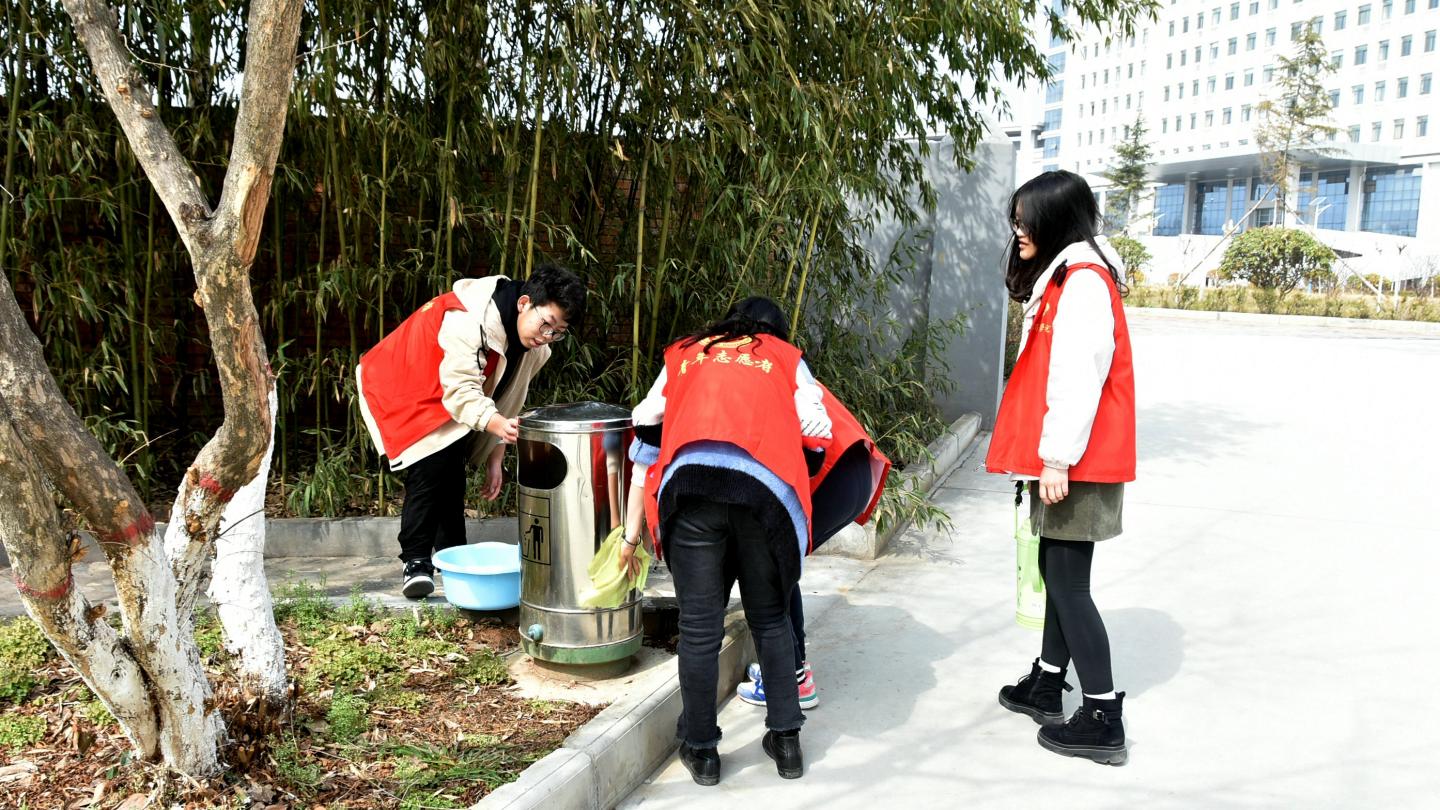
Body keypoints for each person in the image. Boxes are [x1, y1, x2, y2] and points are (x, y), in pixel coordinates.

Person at [618, 296, 831, 785]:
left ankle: (702, 750)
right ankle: (786, 742)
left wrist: (631, 536)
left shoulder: (686, 353)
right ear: (776, 333)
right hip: (763, 500)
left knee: (699, 629)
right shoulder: (785, 359)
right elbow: (816, 439)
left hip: (692, 492)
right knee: (771, 619)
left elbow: (645, 430)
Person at [985, 169, 1136, 766]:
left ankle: (1102, 717)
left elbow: (1078, 377)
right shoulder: (1067, 275)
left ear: (1057, 220)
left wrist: (1055, 459)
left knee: (1070, 585)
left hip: (1078, 461)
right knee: (1055, 570)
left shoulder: (1084, 282)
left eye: (1027, 220)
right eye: (1016, 220)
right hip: (1071, 458)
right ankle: (1048, 682)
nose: (1018, 230)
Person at [356, 264, 586, 598]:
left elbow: (509, 398)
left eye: (558, 331)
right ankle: (416, 561)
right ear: (524, 303)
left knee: (452, 467)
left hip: (447, 390)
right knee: (432, 463)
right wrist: (496, 424)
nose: (547, 336)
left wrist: (496, 454)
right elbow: (462, 392)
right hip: (402, 380)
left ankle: (453, 555)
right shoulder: (470, 317)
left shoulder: (535, 346)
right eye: (546, 324)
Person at [736, 385, 890, 710]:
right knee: (781, 563)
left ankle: (791, 680)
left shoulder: (737, 374)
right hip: (851, 468)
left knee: (769, 569)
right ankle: (790, 669)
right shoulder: (772, 364)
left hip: (833, 474)